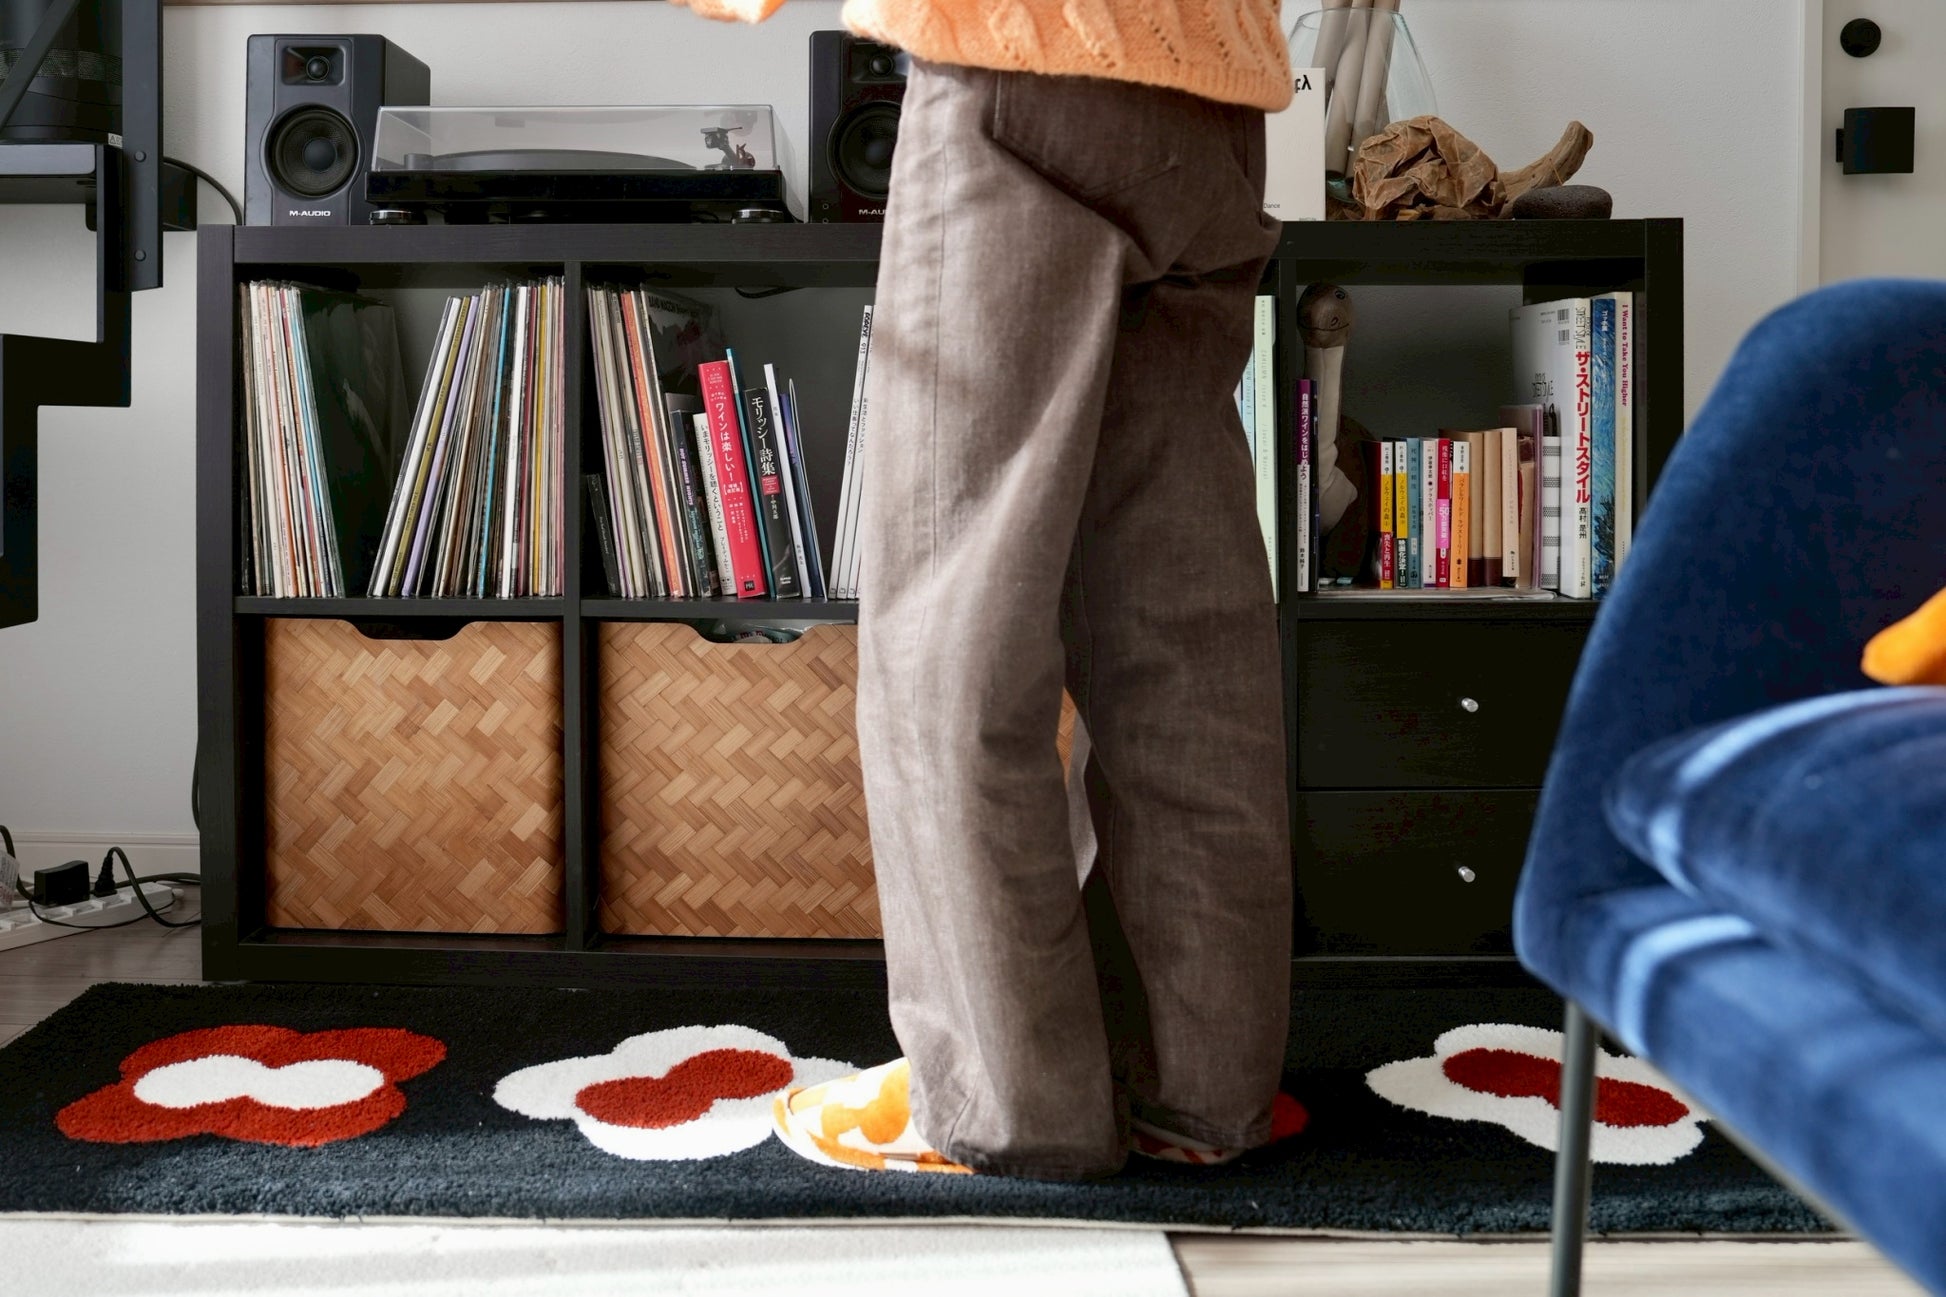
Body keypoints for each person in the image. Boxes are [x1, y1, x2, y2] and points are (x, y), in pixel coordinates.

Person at [669, 0, 1297, 1181]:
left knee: (951, 629)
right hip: (1215, 106)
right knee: (1180, 636)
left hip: (1016, 72)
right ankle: (1199, 1095)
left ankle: (1005, 1110)